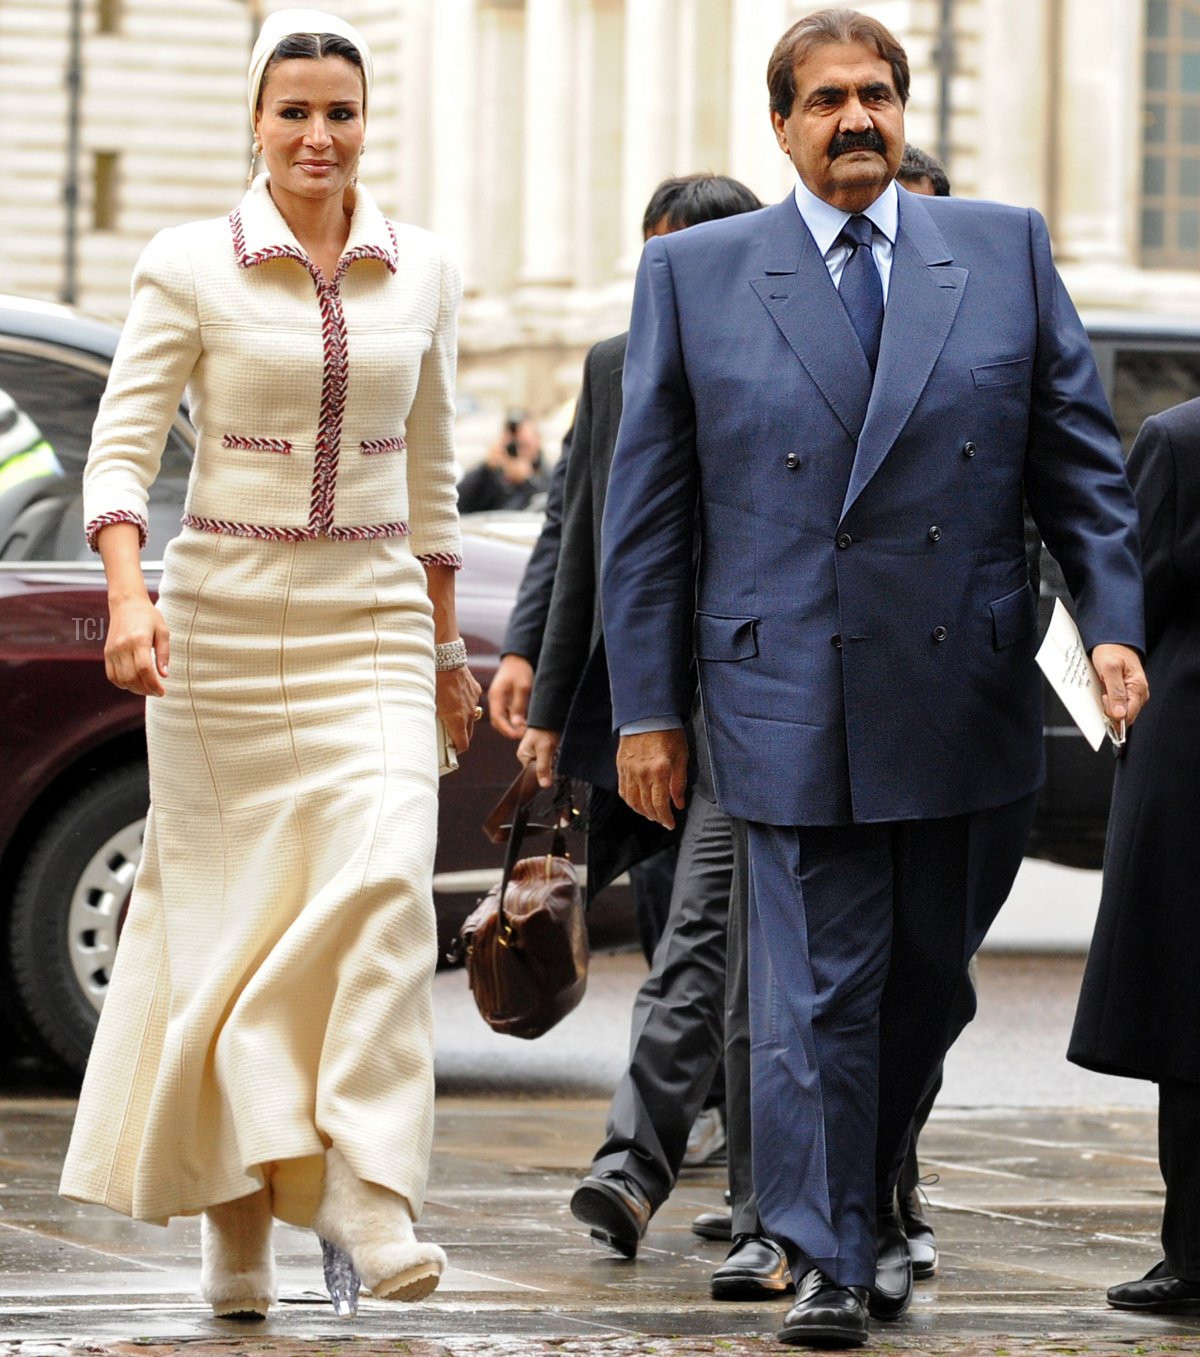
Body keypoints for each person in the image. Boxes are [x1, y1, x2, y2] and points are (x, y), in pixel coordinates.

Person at [599, 8, 1147, 1348]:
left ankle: (861, 1194)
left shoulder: (1001, 248)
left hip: (962, 694)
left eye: (879, 93)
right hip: (785, 689)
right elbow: (648, 512)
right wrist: (647, 708)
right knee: (819, 985)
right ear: (781, 124)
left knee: (926, 984)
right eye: (829, 98)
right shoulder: (701, 274)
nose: (859, 118)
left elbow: (1076, 458)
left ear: (904, 111)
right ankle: (826, 1247)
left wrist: (1113, 621)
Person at [59, 8, 481, 1323]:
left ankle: (367, 1185)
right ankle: (232, 1232)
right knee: (233, 938)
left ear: (369, 124)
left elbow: (433, 474)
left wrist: (451, 648)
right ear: (254, 120)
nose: (317, 134)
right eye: (293, 110)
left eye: (340, 112)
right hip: (221, 624)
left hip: (370, 616)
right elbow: (121, 454)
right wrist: (130, 598)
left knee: (382, 891)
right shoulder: (188, 263)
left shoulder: (426, 269)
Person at [1068, 400, 1200, 1317]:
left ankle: (1194, 1251)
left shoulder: (1179, 438)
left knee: (1189, 1018)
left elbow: (1128, 599)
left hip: (1188, 751)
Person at [456, 411, 547, 514]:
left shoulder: (546, 473)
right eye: (514, 444)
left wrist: (527, 480)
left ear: (537, 440)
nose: (518, 451)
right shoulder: (493, 472)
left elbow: (549, 503)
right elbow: (457, 502)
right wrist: (485, 468)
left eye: (524, 445)